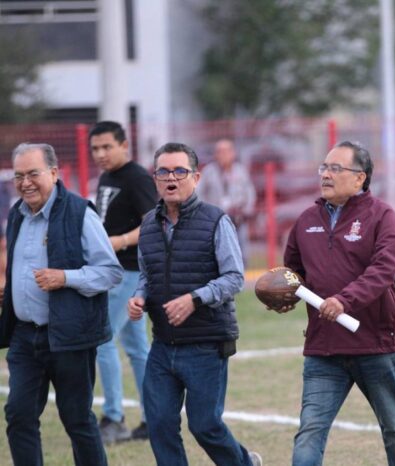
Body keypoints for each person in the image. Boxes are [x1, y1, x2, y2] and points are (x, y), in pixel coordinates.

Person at [280, 140, 395, 466]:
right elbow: (292, 273)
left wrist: (344, 300)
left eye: (335, 168)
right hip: (323, 349)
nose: (326, 175)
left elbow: (384, 270)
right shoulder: (305, 220)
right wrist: (282, 294)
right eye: (323, 168)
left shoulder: (382, 216)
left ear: (360, 178)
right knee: (309, 433)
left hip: (376, 345)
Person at [127, 142, 262, 466]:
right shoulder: (147, 225)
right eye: (163, 171)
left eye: (179, 171)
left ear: (196, 177)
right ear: (155, 178)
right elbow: (147, 275)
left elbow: (234, 278)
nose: (171, 178)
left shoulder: (216, 221)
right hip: (162, 343)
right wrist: (140, 297)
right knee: (159, 424)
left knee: (205, 426)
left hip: (206, 342)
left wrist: (195, 299)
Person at [0, 143, 123, 466]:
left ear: (54, 174)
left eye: (33, 174)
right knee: (19, 415)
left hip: (71, 336)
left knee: (77, 420)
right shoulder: (16, 214)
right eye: (19, 176)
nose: (25, 182)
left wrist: (65, 278)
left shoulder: (80, 212)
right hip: (25, 338)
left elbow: (110, 272)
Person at [90, 121, 156, 444]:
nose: (100, 154)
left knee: (102, 339)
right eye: (95, 149)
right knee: (136, 347)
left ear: (124, 145)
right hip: (111, 270)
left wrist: (120, 242)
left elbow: (153, 225)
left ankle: (113, 418)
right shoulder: (106, 177)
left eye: (106, 147)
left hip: (128, 271)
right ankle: (151, 419)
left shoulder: (138, 177)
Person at [197, 138, 256, 264]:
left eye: (227, 151)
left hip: (238, 218)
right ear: (215, 154)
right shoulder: (209, 171)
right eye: (220, 151)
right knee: (217, 251)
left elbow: (250, 192)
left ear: (233, 153)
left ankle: (241, 277)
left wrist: (247, 210)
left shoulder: (240, 170)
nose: (223, 154)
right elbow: (199, 193)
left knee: (242, 251)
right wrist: (207, 212)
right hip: (216, 219)